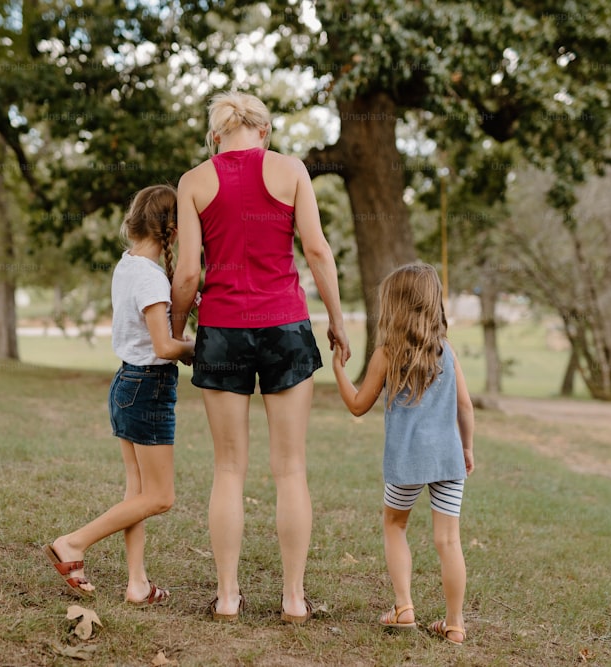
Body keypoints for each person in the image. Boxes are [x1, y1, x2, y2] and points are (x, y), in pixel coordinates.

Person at [170, 91, 351, 624]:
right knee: (290, 469)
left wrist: (177, 331)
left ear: (215, 135)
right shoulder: (291, 169)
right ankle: (294, 599)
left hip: (222, 331)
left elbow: (186, 275)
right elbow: (317, 250)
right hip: (286, 328)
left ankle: (228, 597)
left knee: (228, 469)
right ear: (264, 132)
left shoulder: (194, 181)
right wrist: (337, 320)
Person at [43, 184, 195, 606]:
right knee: (160, 497)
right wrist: (200, 348)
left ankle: (137, 584)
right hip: (148, 387)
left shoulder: (128, 264)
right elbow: (165, 348)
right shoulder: (149, 277)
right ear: (173, 229)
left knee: (137, 494)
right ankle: (73, 543)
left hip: (128, 383)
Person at [331, 263, 475, 645]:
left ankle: (404, 607)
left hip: (405, 463)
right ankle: (455, 624)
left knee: (395, 526)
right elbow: (465, 407)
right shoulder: (447, 352)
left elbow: (359, 405)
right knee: (448, 541)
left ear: (393, 306)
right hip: (448, 460)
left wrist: (338, 371)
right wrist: (467, 448)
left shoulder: (387, 353)